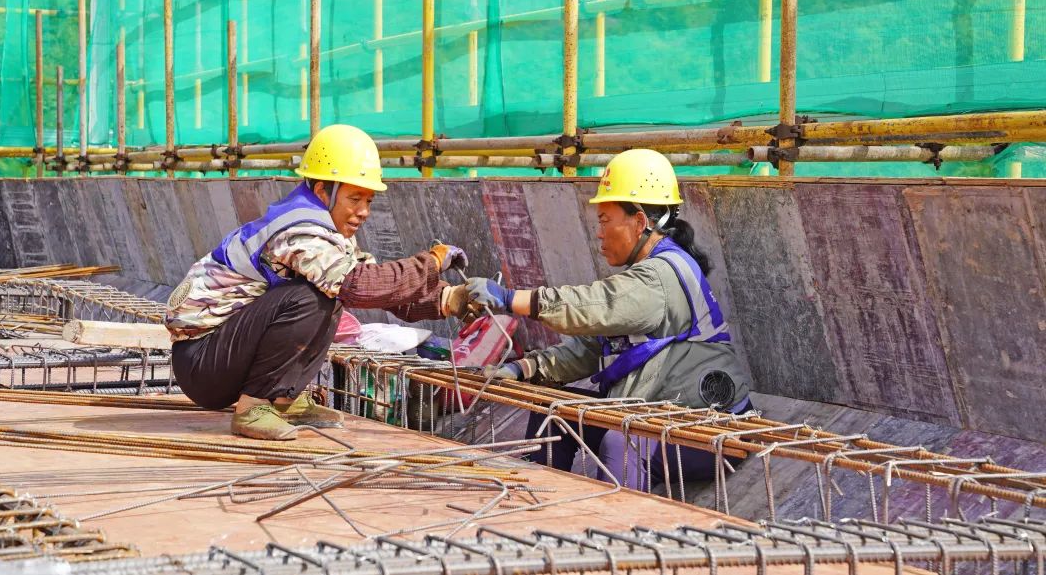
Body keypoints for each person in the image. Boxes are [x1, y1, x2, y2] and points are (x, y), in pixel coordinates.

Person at [467, 148, 752, 492]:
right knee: (552, 411)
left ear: (640, 222)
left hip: (710, 429)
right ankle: (535, 502)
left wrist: (510, 299)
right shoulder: (648, 275)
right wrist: (528, 369)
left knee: (623, 444)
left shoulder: (660, 276)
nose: (599, 233)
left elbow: (593, 306)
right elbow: (598, 344)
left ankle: (618, 533)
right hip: (660, 417)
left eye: (605, 220)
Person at [165, 124, 470, 440]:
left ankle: (283, 400)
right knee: (314, 298)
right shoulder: (302, 232)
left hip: (220, 355)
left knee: (329, 292)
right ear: (323, 190)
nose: (363, 212)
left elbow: (382, 289)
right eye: (355, 198)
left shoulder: (326, 231)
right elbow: (358, 286)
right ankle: (254, 408)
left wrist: (449, 299)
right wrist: (431, 262)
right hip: (202, 363)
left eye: (368, 200)